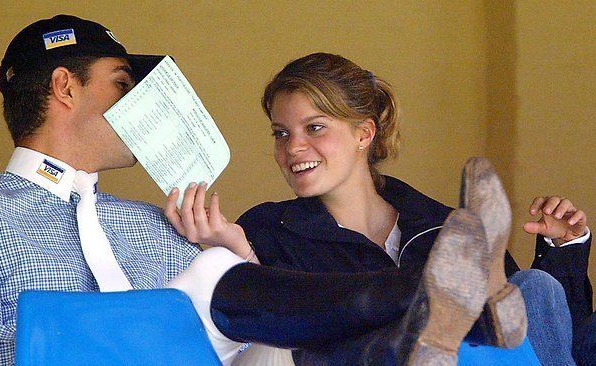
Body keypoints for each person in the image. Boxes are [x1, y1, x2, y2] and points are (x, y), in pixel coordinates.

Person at [165, 53, 591, 365]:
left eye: (314, 127)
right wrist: (236, 256)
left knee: (535, 286)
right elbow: (254, 344)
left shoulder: (441, 226)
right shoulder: (266, 229)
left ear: (364, 134)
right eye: (280, 133)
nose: (292, 148)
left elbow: (556, 339)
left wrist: (566, 249)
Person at [0, 15, 201, 364]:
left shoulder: (157, 225)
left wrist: (232, 250)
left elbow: (243, 340)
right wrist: (91, 344)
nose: (140, 107)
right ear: (65, 87)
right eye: (122, 84)